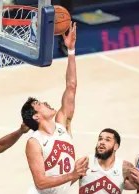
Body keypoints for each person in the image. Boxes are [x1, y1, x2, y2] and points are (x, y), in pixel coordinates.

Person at [21, 22, 88, 194]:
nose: (45, 103)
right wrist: (72, 175)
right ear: (36, 116)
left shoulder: (62, 123)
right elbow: (41, 183)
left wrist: (71, 50)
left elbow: (71, 87)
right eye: (39, 104)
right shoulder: (34, 142)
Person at [79, 128, 139, 193]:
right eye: (100, 139)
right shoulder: (85, 162)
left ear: (116, 146)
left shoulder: (124, 167)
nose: (102, 142)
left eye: (107, 140)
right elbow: (67, 182)